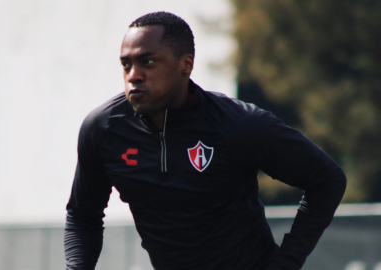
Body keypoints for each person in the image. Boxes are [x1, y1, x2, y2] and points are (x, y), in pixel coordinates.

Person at [64, 11, 346, 270]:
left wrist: (285, 264)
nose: (134, 76)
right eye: (127, 65)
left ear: (186, 65)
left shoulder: (239, 124)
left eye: (148, 62)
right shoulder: (103, 129)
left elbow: (327, 180)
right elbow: (82, 215)